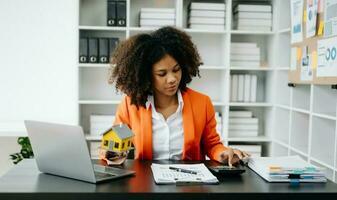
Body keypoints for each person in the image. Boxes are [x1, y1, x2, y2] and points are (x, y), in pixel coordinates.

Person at [108, 26, 249, 167]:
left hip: (189, 182)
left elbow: (212, 145)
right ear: (146, 75)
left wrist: (223, 154)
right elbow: (112, 146)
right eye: (162, 74)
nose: (172, 79)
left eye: (176, 70)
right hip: (146, 182)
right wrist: (113, 153)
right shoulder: (130, 104)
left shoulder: (202, 103)